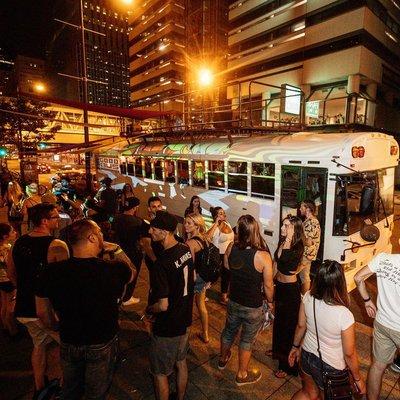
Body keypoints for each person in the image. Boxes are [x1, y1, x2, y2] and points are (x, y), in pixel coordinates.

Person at [36, 219, 133, 400]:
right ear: (92, 237)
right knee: (96, 393)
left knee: (70, 390)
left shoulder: (52, 272)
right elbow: (131, 272)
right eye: (100, 233)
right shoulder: (112, 269)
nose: (103, 236)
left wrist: (55, 327)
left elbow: (42, 311)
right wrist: (118, 250)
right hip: (102, 341)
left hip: (69, 339)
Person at [7, 204, 69, 399]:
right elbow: (64, 280)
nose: (58, 219)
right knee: (66, 348)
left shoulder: (18, 243)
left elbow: (11, 273)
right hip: (48, 309)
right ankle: (63, 386)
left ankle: (39, 386)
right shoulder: (56, 245)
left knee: (38, 345)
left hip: (24, 307)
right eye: (55, 217)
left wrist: (25, 289)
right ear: (44, 221)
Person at [289, 260, 366, 399]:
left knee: (308, 393)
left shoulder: (308, 296)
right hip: (331, 366)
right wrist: (357, 378)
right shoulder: (344, 314)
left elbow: (301, 325)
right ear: (340, 283)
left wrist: (295, 347)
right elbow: (349, 353)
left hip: (307, 354)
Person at [219, 215, 274, 386]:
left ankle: (222, 359)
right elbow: (268, 285)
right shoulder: (263, 256)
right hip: (253, 305)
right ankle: (242, 374)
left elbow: (227, 267)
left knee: (229, 331)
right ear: (255, 231)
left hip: (234, 300)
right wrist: (271, 302)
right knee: (246, 340)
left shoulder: (231, 247)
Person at [146, 211, 195, 400]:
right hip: (185, 319)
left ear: (165, 232)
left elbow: (163, 306)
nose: (150, 231)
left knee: (160, 373)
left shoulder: (162, 264)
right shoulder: (184, 250)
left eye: (154, 229)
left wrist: (150, 309)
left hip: (168, 326)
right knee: (181, 362)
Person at [354, 252, 400, 400]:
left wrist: (367, 300)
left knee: (377, 366)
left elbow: (358, 277)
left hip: (382, 323)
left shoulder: (383, 258)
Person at [271, 215, 304, 378]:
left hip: (291, 291)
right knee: (279, 323)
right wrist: (269, 283)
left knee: (288, 327)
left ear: (294, 228)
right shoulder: (283, 241)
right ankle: (278, 353)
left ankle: (287, 365)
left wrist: (289, 238)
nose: (282, 228)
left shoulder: (297, 246)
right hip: (281, 288)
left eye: (286, 226)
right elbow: (277, 260)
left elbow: (284, 258)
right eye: (283, 225)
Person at [184, 213, 210, 344]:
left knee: (187, 308)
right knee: (201, 305)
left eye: (189, 223)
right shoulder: (204, 238)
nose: (186, 225)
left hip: (194, 279)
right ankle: (205, 334)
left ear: (197, 225)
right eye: (185, 222)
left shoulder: (190, 243)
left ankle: (184, 339)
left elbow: (190, 267)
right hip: (204, 277)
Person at [113, 196, 143, 306]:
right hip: (133, 252)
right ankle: (127, 298)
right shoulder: (137, 222)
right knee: (132, 275)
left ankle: (119, 296)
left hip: (119, 251)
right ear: (135, 208)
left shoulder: (116, 217)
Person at [207, 207, 234, 305]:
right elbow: (207, 237)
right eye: (221, 213)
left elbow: (232, 239)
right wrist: (216, 223)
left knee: (226, 275)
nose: (224, 214)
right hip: (218, 254)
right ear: (216, 216)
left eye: (223, 213)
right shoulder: (214, 227)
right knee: (214, 274)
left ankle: (224, 296)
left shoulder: (228, 224)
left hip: (228, 254)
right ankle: (203, 290)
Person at [299, 200, 321, 294]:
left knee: (304, 277)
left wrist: (299, 233)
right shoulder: (309, 221)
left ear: (307, 209)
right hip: (307, 253)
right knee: (304, 276)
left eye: (301, 207)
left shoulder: (312, 222)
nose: (300, 209)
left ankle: (304, 298)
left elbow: (308, 242)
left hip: (307, 254)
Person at [0, 223, 18, 336]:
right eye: (12, 232)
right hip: (8, 279)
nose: (15, 233)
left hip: (1, 279)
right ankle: (13, 331)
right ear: (5, 236)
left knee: (4, 304)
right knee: (11, 308)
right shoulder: (7, 248)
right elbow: (9, 264)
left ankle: (5, 326)